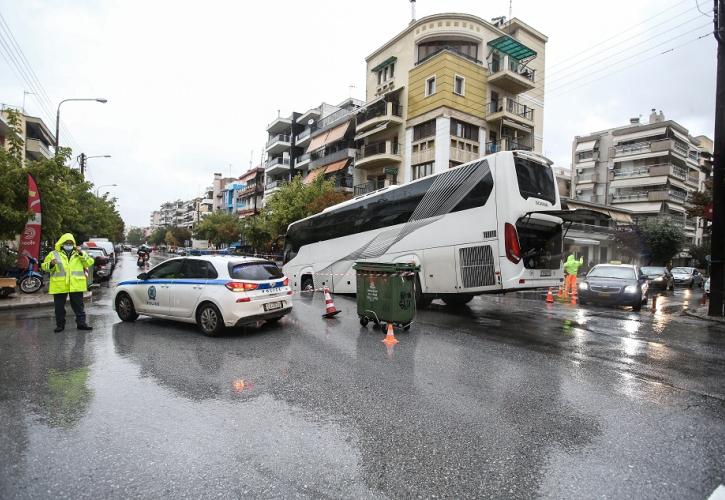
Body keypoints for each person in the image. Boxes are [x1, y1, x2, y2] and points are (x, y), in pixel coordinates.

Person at [41, 233, 95, 332]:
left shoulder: (79, 253)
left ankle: (81, 324)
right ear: (62, 243)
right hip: (59, 285)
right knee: (59, 308)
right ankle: (60, 325)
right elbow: (44, 266)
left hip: (76, 284)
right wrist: (51, 264)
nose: (69, 245)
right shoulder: (54, 254)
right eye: (67, 243)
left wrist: (81, 254)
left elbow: (90, 262)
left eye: (71, 243)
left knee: (79, 306)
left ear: (74, 244)